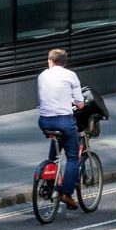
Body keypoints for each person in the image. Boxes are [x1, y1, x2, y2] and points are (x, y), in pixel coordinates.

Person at [37, 48, 85, 211]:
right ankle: (66, 193)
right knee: (72, 158)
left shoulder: (42, 75)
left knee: (57, 148)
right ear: (64, 63)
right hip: (63, 121)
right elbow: (79, 103)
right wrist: (74, 102)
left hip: (44, 121)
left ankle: (50, 182)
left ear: (50, 61)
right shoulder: (70, 75)